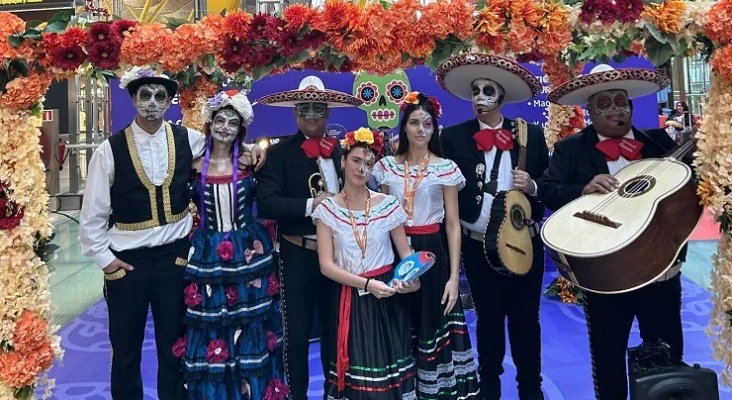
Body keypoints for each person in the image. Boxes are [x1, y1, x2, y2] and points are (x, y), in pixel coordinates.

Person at [79, 67, 265, 400]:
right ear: (133, 98)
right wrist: (106, 261)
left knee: (173, 347)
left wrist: (251, 150)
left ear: (169, 101)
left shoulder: (189, 140)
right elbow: (92, 214)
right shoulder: (110, 150)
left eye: (160, 96)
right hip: (127, 262)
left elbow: (224, 146)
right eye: (145, 95)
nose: (152, 103)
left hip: (174, 259)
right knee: (125, 351)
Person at [540, 64, 688, 400]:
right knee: (607, 357)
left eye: (621, 101)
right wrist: (583, 189)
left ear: (632, 107)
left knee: (667, 354)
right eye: (604, 103)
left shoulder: (659, 142)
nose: (615, 109)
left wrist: (677, 257)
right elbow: (548, 190)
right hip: (602, 272)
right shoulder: (571, 149)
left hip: (659, 270)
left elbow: (687, 201)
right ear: (589, 111)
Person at [436, 53, 549, 400]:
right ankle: (489, 389)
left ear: (501, 97)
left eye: (487, 91)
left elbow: (549, 189)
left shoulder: (530, 135)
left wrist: (531, 186)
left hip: (524, 241)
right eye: (474, 91)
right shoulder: (453, 138)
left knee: (526, 320)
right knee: (487, 319)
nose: (479, 98)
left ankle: (531, 389)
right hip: (476, 243)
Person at [255, 76, 363, 400]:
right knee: (297, 335)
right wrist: (310, 205)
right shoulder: (277, 154)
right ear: (295, 113)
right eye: (305, 109)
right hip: (297, 254)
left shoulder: (341, 151)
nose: (312, 115)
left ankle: (335, 393)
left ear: (328, 113)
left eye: (319, 109)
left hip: (338, 255)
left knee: (336, 330)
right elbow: (266, 203)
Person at [176, 90, 285, 400]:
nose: (225, 126)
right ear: (210, 124)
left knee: (248, 321)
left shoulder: (252, 160)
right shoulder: (194, 164)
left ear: (241, 128)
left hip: (247, 251)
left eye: (232, 122)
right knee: (214, 323)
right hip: (208, 252)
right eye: (220, 120)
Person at [372, 91, 480, 400]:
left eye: (427, 124)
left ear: (434, 129)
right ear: (404, 126)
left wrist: (453, 279)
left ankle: (436, 391)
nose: (421, 129)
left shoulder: (445, 168)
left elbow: (452, 224)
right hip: (394, 249)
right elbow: (380, 216)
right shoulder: (386, 167)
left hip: (433, 252)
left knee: (432, 321)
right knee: (398, 321)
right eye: (415, 122)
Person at [313, 127, 420, 399]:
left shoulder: (387, 205)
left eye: (369, 163)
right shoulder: (328, 210)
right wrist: (367, 284)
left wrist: (413, 279)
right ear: (343, 161)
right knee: (359, 376)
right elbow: (326, 265)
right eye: (357, 161)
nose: (362, 169)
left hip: (388, 296)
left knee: (390, 372)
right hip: (350, 295)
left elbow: (406, 254)